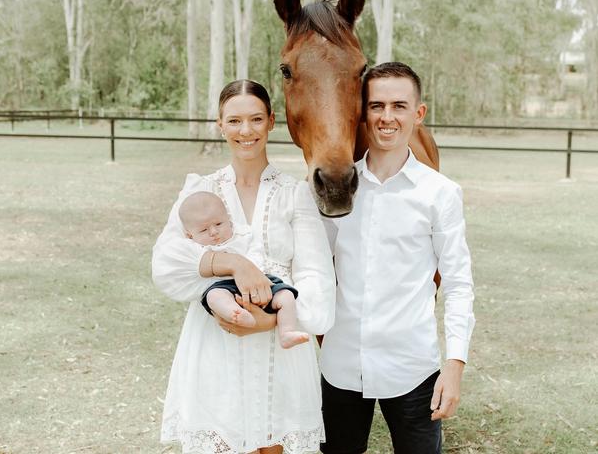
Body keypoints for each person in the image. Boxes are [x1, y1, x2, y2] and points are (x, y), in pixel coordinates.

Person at [152, 79, 335, 454]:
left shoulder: (294, 193)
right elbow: (166, 264)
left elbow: (317, 279)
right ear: (220, 125)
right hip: (216, 349)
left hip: (281, 354)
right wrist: (232, 262)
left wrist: (270, 321)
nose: (245, 131)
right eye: (234, 121)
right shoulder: (200, 190)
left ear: (271, 121)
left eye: (255, 119)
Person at [319, 62, 475, 454]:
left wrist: (454, 366)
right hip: (339, 369)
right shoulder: (333, 192)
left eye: (399, 106)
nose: (387, 117)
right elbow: (313, 270)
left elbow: (457, 283)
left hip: (412, 369)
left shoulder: (441, 194)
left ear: (418, 114)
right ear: (362, 113)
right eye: (376, 106)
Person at [178, 190, 310, 348]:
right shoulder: (193, 248)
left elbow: (256, 251)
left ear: (229, 219)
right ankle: (236, 313)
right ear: (190, 235)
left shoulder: (242, 235)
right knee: (213, 297)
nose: (214, 232)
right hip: (222, 285)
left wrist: (252, 271)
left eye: (219, 224)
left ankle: (286, 332)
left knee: (286, 295)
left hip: (259, 280)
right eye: (204, 230)